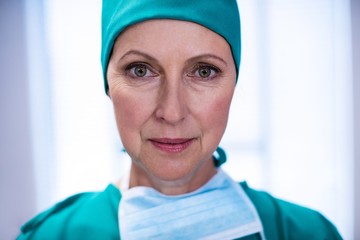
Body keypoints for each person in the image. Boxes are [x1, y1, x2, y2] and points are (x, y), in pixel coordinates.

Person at [18, 0, 343, 239]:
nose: (171, 112)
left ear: (234, 83)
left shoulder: (308, 233)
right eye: (140, 70)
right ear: (107, 84)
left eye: (204, 71)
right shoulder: (50, 235)